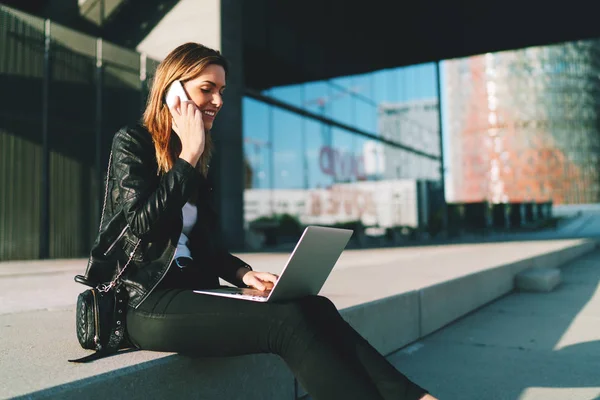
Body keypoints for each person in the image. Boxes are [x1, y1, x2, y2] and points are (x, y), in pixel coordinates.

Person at [85, 42, 437, 400]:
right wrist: (188, 157)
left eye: (221, 91)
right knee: (289, 323)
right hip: (145, 302)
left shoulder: (200, 156)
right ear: (173, 91)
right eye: (207, 89)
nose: (218, 101)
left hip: (193, 290)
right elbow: (143, 225)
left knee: (314, 307)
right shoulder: (134, 143)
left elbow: (205, 245)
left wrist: (242, 274)